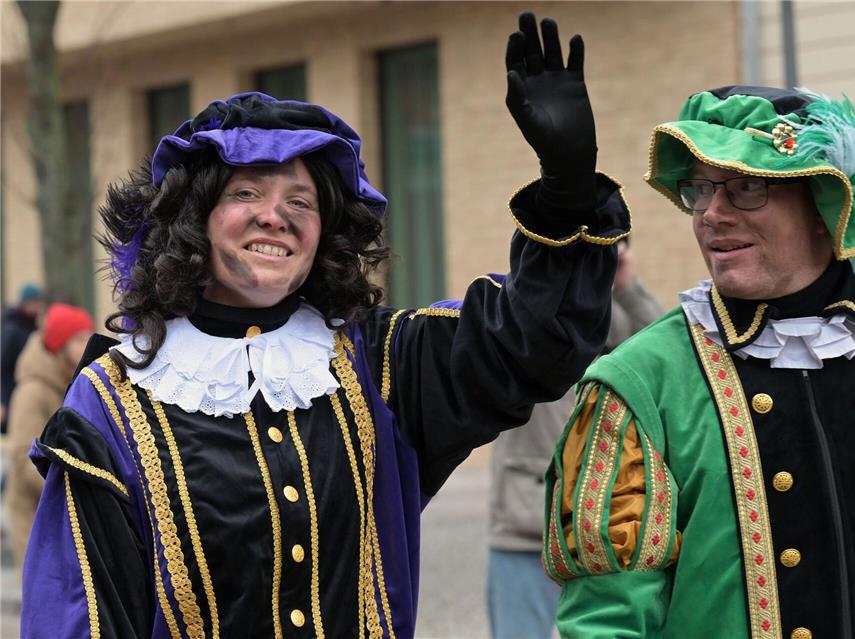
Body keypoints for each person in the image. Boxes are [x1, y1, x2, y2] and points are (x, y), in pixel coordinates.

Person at [20, 13, 630, 639]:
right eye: (246, 194)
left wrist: (567, 192)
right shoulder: (111, 402)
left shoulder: (380, 363)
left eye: (300, 202)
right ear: (193, 219)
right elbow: (76, 615)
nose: (275, 217)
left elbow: (533, 344)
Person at [543, 86, 855, 638]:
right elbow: (606, 619)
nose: (712, 214)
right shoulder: (640, 383)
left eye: (745, 187)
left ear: (823, 207)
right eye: (700, 189)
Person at [486, 239, 661, 639]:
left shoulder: (613, 316)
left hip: (600, 531)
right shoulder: (522, 313)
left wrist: (626, 283)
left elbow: (662, 357)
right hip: (525, 523)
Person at [5, 303, 93, 571]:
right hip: (36, 518)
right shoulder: (33, 391)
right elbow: (24, 457)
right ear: (60, 345)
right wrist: (70, 491)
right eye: (79, 338)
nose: (87, 344)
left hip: (61, 516)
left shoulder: (72, 382)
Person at [1, 284, 45, 432]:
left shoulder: (30, 326)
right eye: (35, 303)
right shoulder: (12, 330)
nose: (39, 306)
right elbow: (2, 365)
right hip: (11, 392)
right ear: (26, 304)